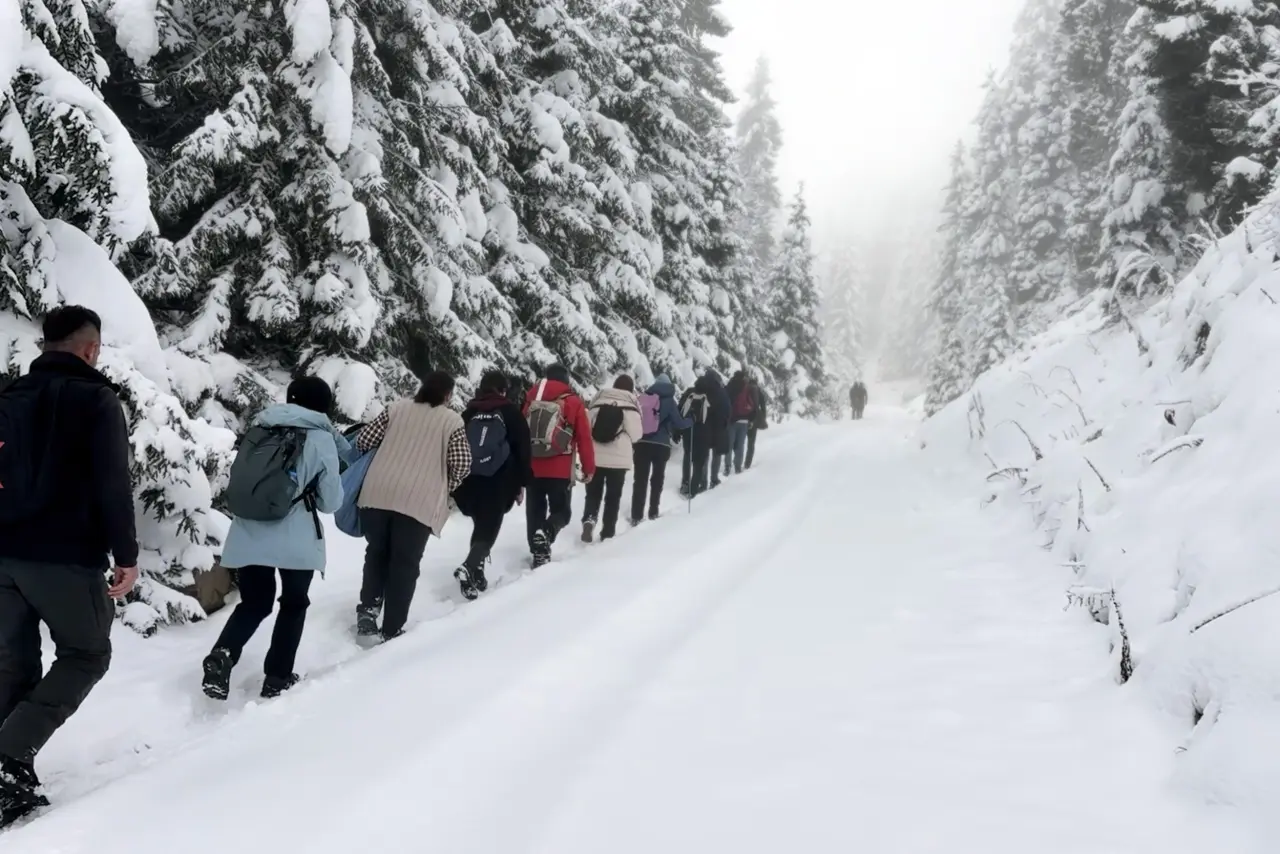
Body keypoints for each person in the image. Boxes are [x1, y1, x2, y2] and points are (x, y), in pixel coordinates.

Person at [0, 306, 138, 825]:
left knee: (12, 664)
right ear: (90, 349)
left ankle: (9, 773)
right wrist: (125, 556)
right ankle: (8, 758)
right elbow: (112, 485)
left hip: (3, 552)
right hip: (63, 555)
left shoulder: (8, 396)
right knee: (87, 654)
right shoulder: (97, 400)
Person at [201, 377, 348, 701]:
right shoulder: (321, 439)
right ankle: (277, 678)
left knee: (254, 603)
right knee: (293, 605)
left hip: (248, 535)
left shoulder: (261, 428)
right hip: (296, 544)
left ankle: (223, 654)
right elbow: (330, 502)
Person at [354, 371, 471, 640]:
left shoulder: (395, 409)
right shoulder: (451, 421)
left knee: (377, 553)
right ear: (448, 394)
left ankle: (368, 611)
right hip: (419, 500)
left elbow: (364, 441)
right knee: (405, 563)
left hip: (377, 493)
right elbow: (462, 465)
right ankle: (392, 626)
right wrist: (446, 483)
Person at [452, 371, 532, 599]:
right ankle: (469, 566)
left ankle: (476, 573)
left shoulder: (468, 413)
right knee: (490, 527)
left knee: (481, 523)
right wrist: (522, 482)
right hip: (499, 480)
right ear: (503, 390)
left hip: (469, 479)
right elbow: (523, 450)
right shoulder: (510, 413)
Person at [523, 365, 595, 567]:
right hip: (560, 469)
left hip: (533, 467)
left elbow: (521, 432)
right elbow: (584, 438)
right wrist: (589, 468)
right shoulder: (573, 402)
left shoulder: (531, 400)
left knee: (534, 511)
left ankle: (538, 551)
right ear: (566, 380)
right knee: (562, 512)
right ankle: (546, 534)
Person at [582, 375, 643, 542]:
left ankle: (589, 518)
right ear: (630, 389)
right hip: (619, 461)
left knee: (593, 493)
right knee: (613, 497)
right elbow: (637, 436)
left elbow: (586, 428)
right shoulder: (631, 408)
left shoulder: (598, 402)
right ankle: (607, 532)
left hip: (596, 457)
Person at [631, 373, 691, 523]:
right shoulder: (670, 401)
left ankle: (636, 516)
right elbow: (679, 423)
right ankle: (653, 512)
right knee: (657, 479)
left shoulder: (643, 398)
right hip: (661, 445)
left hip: (642, 443)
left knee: (640, 480)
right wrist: (692, 420)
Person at [679, 370, 730, 496]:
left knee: (688, 454)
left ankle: (685, 482)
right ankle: (701, 483)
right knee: (702, 459)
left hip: (688, 429)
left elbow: (680, 409)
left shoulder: (690, 392)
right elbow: (725, 411)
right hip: (706, 431)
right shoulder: (717, 393)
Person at [724, 369, 759, 476]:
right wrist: (751, 419)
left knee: (729, 445)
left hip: (732, 420)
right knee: (740, 445)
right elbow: (754, 405)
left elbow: (725, 402)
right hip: (744, 421)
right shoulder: (748, 388)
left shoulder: (729, 386)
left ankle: (727, 467)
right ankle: (738, 467)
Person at [745, 377, 769, 470]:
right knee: (751, 443)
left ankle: (736, 463)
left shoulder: (745, 389)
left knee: (740, 442)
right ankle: (747, 463)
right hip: (754, 419)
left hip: (743, 417)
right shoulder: (758, 391)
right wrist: (763, 418)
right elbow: (763, 405)